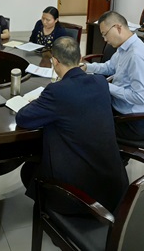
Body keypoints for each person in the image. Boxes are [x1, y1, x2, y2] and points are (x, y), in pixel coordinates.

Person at [16, 37, 128, 213]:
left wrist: (40, 101)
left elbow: (23, 118)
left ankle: (54, 216)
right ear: (80, 58)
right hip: (114, 188)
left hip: (81, 197)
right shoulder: (100, 83)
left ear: (55, 61)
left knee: (29, 171)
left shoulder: (57, 91)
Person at [81, 11, 144, 141]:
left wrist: (106, 85)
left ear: (118, 28)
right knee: (85, 109)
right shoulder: (124, 47)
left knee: (84, 125)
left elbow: (140, 97)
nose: (105, 40)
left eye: (105, 34)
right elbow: (110, 66)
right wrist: (87, 67)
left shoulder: (136, 55)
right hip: (121, 109)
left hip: (133, 122)